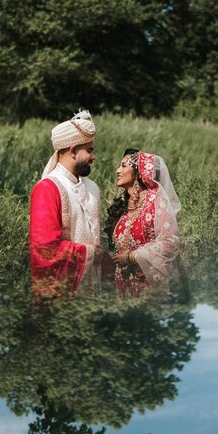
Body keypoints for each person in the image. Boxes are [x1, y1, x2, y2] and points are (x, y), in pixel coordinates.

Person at [29, 110, 101, 296]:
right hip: (63, 291)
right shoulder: (48, 188)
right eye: (89, 150)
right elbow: (46, 248)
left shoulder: (92, 188)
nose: (93, 157)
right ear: (72, 151)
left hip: (92, 288)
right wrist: (91, 252)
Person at [105, 149, 181, 297]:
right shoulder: (123, 205)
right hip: (122, 284)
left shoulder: (156, 202)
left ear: (138, 172)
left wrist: (132, 257)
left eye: (123, 166)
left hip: (148, 284)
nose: (117, 171)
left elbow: (170, 243)